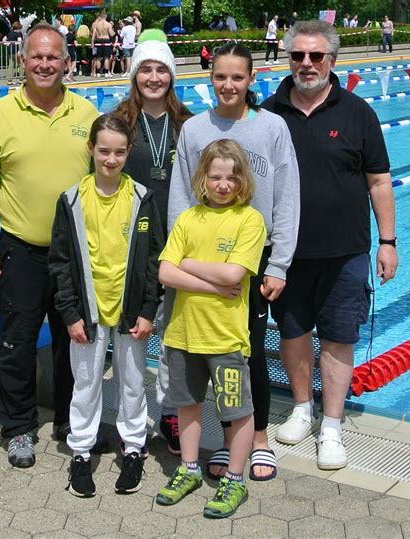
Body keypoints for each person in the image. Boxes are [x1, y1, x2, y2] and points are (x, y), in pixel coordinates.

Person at [262, 20, 398, 470]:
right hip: (286, 254)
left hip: (346, 252)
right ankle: (302, 408)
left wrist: (388, 242)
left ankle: (333, 425)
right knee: (294, 332)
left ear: (332, 61)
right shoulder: (268, 112)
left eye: (315, 56)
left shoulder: (358, 112)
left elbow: (379, 182)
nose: (306, 64)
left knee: (340, 337)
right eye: (298, 56)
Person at [0, 23, 100, 468]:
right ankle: (18, 427)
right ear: (23, 61)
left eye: (53, 57)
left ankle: (69, 419)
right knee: (17, 342)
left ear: (66, 63)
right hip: (19, 248)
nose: (44, 64)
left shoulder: (85, 114)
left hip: (75, 253)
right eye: (36, 56)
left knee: (73, 342)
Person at [168, 42, 300, 481]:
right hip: (197, 263)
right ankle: (228, 440)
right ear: (211, 80)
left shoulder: (272, 127)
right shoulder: (194, 129)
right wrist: (181, 260)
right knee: (206, 354)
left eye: (237, 77)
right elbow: (180, 201)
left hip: (251, 261)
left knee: (247, 354)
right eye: (221, 77)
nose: (228, 85)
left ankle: (258, 438)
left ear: (251, 81)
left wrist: (279, 263)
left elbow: (286, 198)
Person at [49, 113, 164, 497]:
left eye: (118, 152)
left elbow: (153, 261)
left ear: (129, 152)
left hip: (131, 311)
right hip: (87, 312)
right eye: (104, 151)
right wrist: (69, 313)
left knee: (133, 384)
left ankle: (133, 447)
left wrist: (148, 310)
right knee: (86, 385)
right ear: (91, 150)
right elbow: (61, 263)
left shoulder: (142, 199)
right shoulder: (71, 200)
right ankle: (81, 452)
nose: (111, 160)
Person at [156, 139, 266, 518]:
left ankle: (235, 479)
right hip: (183, 333)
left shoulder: (249, 220)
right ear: (203, 177)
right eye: (215, 176)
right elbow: (164, 271)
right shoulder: (189, 218)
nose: (222, 184)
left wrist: (188, 263)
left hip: (226, 338)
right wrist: (212, 284)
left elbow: (234, 273)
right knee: (187, 404)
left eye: (230, 178)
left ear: (242, 181)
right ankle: (188, 469)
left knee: (237, 410)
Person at [113, 30, 192, 455]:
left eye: (162, 69)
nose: (154, 77)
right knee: (135, 336)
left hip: (179, 249)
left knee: (174, 338)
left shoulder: (189, 123)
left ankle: (170, 412)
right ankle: (133, 414)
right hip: (134, 248)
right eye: (146, 68)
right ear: (135, 74)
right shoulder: (120, 122)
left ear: (172, 75)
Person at [91, 11, 115, 77]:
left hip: (98, 40)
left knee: (98, 58)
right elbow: (111, 34)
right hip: (106, 40)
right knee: (106, 57)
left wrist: (92, 43)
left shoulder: (96, 24)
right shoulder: (108, 24)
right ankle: (106, 73)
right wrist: (113, 32)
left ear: (101, 16)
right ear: (106, 16)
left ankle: (98, 73)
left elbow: (93, 34)